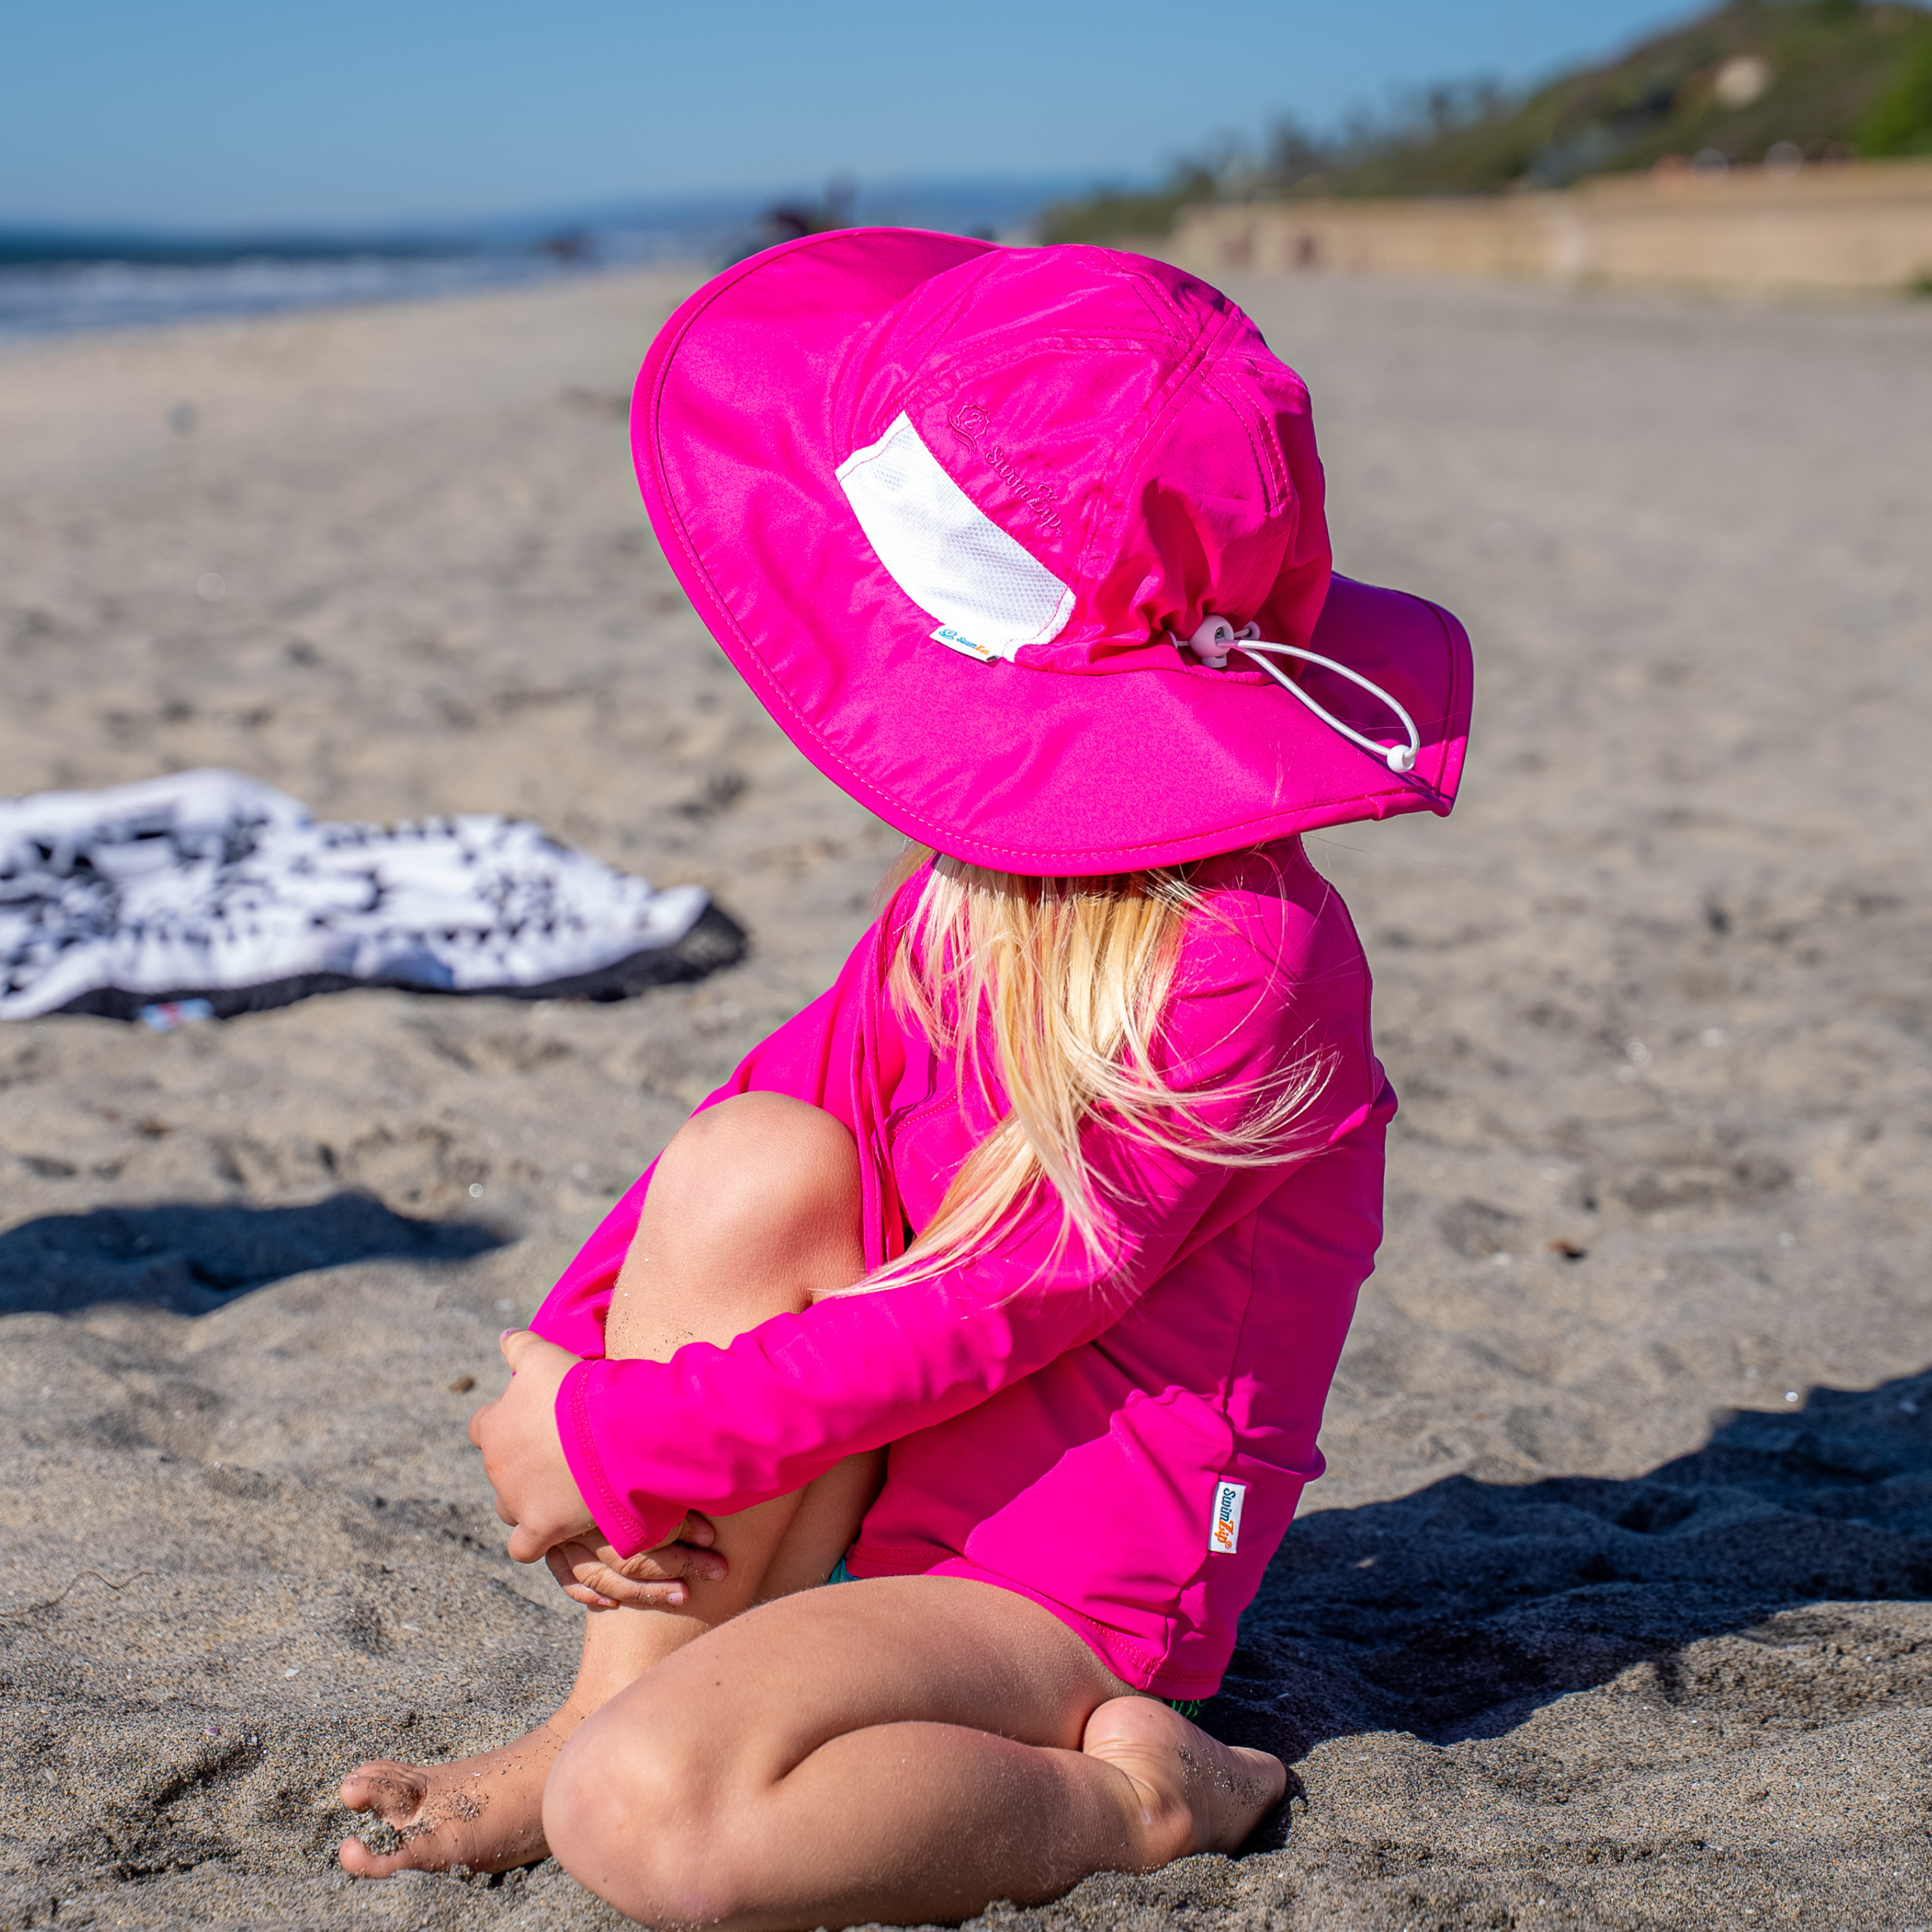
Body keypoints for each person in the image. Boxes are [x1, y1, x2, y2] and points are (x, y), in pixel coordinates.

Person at [339, 232, 1472, 1928]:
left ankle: (1135, 1794)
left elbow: (999, 1308)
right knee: (752, 1150)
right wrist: (576, 1362)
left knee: (649, 1817)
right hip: (884, 1463)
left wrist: (629, 1436)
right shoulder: (975, 883)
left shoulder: (1251, 961)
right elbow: (785, 1098)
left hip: (1062, 1572)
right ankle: (597, 1699)